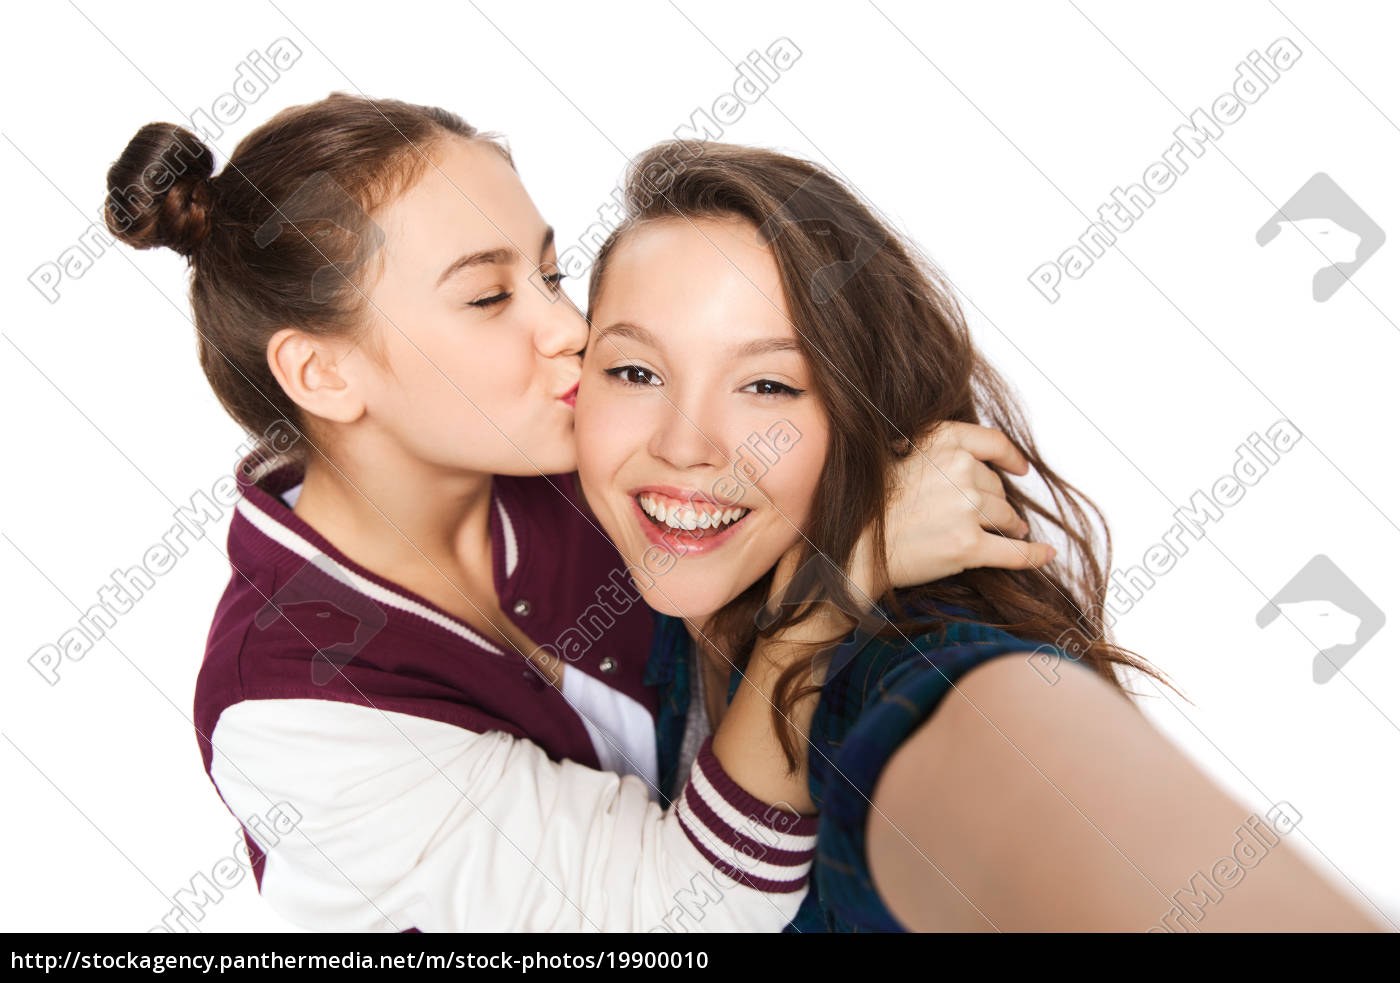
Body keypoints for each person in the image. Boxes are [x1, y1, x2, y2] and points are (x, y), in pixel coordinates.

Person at [102, 93, 1049, 932]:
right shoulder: (291, 716)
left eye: (551, 275)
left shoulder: (570, 450)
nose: (569, 330)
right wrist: (839, 580)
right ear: (323, 372)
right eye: (488, 296)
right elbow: (690, 910)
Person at [574, 141, 1388, 932]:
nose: (685, 445)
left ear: (863, 415)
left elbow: (1022, 779)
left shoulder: (905, 671)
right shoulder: (620, 614)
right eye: (636, 372)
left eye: (769, 385)